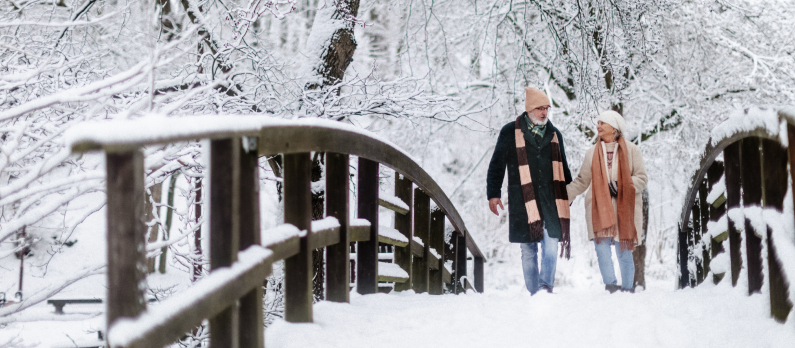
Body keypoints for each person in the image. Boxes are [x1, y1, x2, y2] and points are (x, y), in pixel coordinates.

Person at [486, 87, 573, 295]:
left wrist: (568, 193)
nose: (544, 112)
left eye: (547, 108)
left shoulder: (554, 134)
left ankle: (545, 288)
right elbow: (497, 164)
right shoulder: (509, 132)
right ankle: (535, 293)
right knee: (528, 251)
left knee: (551, 247)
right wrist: (493, 193)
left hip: (550, 201)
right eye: (540, 108)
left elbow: (564, 166)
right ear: (529, 109)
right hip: (522, 201)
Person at [566, 110, 647, 293]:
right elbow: (582, 181)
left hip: (625, 210)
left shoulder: (632, 150)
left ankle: (627, 291)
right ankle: (611, 287)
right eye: (598, 123)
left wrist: (622, 184)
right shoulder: (591, 153)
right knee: (602, 251)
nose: (598, 126)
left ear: (614, 127)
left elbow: (642, 178)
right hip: (598, 209)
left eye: (603, 123)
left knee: (624, 252)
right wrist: (563, 197)